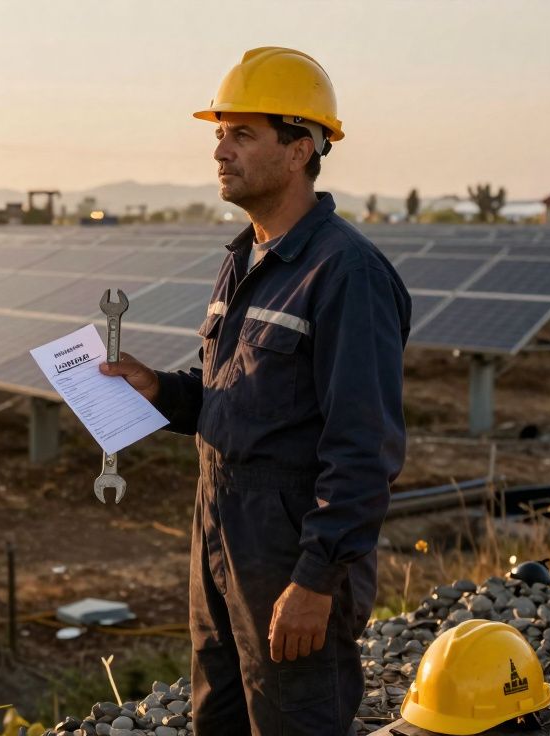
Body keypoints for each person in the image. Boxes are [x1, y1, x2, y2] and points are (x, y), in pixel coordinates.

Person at [100, 47, 411, 735]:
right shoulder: (243, 260)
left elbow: (366, 448)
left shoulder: (345, 273)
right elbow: (233, 398)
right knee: (221, 721)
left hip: (288, 555)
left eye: (241, 134)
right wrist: (161, 390)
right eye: (218, 133)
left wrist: (315, 580)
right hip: (218, 541)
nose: (219, 151)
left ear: (300, 147)